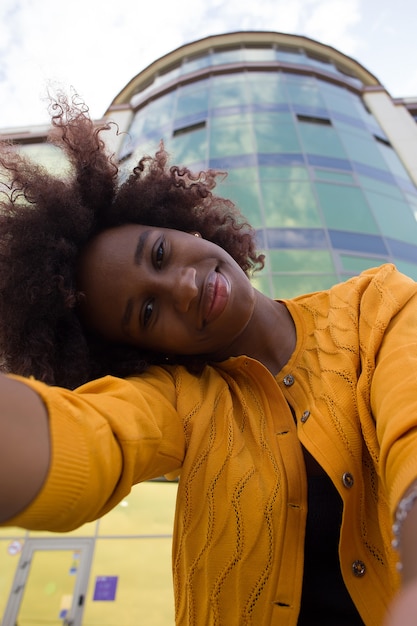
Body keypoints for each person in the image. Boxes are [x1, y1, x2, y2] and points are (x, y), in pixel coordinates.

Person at [0, 92, 416, 626]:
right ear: (147, 350)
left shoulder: (374, 304)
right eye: (147, 311)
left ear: (183, 226)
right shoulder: (180, 399)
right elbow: (90, 436)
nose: (185, 285)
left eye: (159, 253)